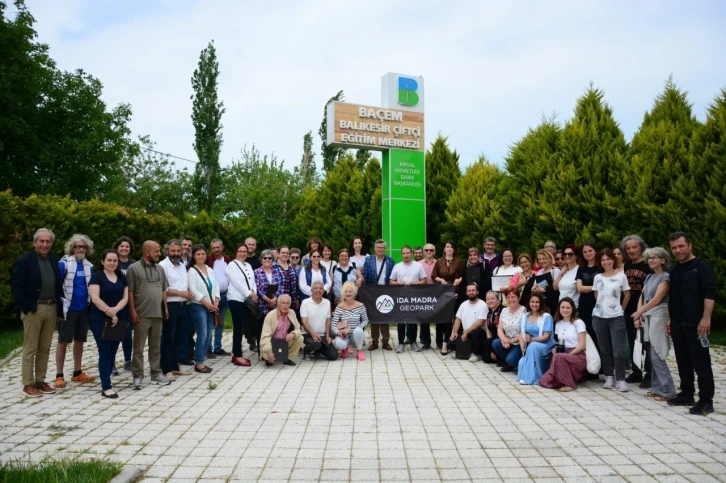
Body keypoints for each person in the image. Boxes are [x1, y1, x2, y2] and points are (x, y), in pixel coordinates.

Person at [667, 232, 716, 415]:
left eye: (681, 246)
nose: (678, 250)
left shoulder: (701, 266)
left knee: (701, 362)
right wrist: (670, 319)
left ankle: (706, 401)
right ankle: (687, 393)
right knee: (683, 361)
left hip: (697, 324)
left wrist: (706, 318)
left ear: (690, 245)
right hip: (679, 323)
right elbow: (673, 298)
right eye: (674, 248)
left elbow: (709, 294)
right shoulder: (675, 269)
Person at [11, 228, 63, 397]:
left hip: (51, 308)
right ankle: (28, 384)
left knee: (45, 347)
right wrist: (26, 307)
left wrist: (59, 309)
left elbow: (57, 286)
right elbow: (16, 286)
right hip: (34, 309)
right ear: (34, 242)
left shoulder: (54, 261)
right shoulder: (24, 261)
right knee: (30, 348)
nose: (44, 244)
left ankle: (40, 380)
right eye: (41, 241)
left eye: (48, 241)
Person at [632, 247, 676, 401]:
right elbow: (642, 296)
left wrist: (640, 312)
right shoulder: (649, 277)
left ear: (662, 260)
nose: (651, 260)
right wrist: (638, 314)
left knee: (658, 354)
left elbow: (657, 299)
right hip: (647, 316)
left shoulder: (665, 277)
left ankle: (668, 390)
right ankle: (657, 388)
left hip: (658, 316)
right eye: (649, 258)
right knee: (651, 354)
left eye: (655, 257)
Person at [127, 241, 171, 389]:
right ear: (147, 252)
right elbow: (130, 291)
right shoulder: (133, 268)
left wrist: (165, 307)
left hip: (157, 313)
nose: (159, 254)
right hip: (141, 314)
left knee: (155, 346)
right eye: (157, 251)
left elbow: (163, 289)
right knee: (138, 347)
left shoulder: (160, 269)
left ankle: (156, 373)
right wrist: (132, 310)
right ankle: (137, 375)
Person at [55, 234, 95, 388]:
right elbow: (57, 286)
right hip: (68, 309)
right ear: (72, 248)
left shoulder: (88, 266)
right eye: (77, 246)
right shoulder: (64, 264)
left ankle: (77, 372)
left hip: (83, 309)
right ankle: (59, 375)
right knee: (63, 341)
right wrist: (58, 309)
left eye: (83, 247)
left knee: (80, 340)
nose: (80, 249)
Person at [88, 249, 128, 398]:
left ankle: (107, 378)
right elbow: (95, 298)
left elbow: (125, 298)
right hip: (100, 318)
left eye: (115, 261)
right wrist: (109, 312)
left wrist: (116, 310)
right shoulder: (96, 277)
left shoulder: (121, 277)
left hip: (119, 317)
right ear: (102, 261)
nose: (112, 263)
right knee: (104, 352)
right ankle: (106, 387)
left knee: (112, 352)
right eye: (109, 260)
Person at [592, 248, 631, 392]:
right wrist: (602, 307)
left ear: (613, 260)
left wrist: (620, 309)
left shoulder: (622, 276)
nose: (606, 262)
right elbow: (597, 294)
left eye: (608, 259)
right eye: (603, 260)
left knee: (618, 350)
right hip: (599, 317)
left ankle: (620, 378)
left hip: (616, 317)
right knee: (604, 349)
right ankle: (609, 375)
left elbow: (627, 295)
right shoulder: (597, 277)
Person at [159, 240, 193, 381]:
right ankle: (166, 369)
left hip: (182, 305)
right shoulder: (162, 266)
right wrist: (181, 293)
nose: (176, 254)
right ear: (167, 251)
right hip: (170, 305)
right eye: (173, 251)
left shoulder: (182, 265)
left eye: (178, 251)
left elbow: (184, 284)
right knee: (168, 338)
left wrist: (187, 293)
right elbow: (163, 289)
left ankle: (175, 366)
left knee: (179, 337)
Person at [621, 235, 652, 388]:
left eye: (634, 247)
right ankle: (636, 371)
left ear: (641, 247)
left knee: (647, 343)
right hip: (629, 310)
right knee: (634, 342)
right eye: (628, 248)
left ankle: (650, 374)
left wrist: (642, 311)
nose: (632, 250)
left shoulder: (648, 265)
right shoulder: (626, 267)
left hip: (646, 310)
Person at [539, 298, 587, 391]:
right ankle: (567, 378)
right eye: (563, 307)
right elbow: (560, 343)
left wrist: (567, 355)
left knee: (559, 357)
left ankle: (570, 384)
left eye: (568, 308)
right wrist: (556, 351)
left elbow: (582, 345)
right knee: (544, 381)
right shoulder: (558, 323)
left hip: (577, 355)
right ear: (559, 308)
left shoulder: (578, 322)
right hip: (563, 354)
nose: (565, 310)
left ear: (572, 308)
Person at [390, 245, 428, 353]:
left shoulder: (418, 266)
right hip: (400, 297)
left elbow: (424, 280)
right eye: (404, 253)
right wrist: (398, 283)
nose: (406, 255)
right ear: (401, 255)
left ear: (411, 253)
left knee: (413, 321)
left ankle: (413, 342)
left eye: (408, 253)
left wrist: (416, 283)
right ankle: (401, 343)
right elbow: (391, 282)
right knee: (401, 321)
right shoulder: (397, 266)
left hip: (414, 297)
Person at [187, 244, 219, 374]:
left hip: (211, 305)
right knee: (203, 333)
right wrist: (206, 303)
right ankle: (199, 362)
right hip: (198, 305)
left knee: (209, 333)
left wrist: (216, 301)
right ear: (194, 256)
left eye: (203, 254)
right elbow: (193, 289)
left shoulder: (209, 269)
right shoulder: (192, 271)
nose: (201, 256)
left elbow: (215, 285)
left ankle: (202, 359)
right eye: (198, 254)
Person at [226, 243, 256, 367]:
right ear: (236, 252)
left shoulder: (248, 265)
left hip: (246, 299)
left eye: (244, 251)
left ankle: (237, 352)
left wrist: (254, 292)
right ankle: (237, 354)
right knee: (238, 327)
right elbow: (237, 283)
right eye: (240, 251)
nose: (242, 253)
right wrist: (249, 293)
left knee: (244, 326)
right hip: (235, 299)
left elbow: (252, 280)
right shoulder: (232, 265)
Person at [362, 239, 395, 351]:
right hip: (372, 292)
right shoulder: (368, 260)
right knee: (374, 317)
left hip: (385, 291)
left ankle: (385, 341)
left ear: (385, 249)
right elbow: (365, 276)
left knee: (385, 316)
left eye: (382, 247)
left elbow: (392, 277)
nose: (380, 249)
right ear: (374, 248)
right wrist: (365, 292)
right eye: (378, 247)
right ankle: (374, 341)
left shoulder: (390, 261)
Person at [433, 240, 464, 355]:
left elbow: (462, 276)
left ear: (454, 250)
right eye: (447, 247)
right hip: (441, 293)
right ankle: (438, 341)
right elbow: (434, 275)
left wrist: (459, 280)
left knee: (448, 318)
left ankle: (446, 342)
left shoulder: (458, 262)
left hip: (453, 293)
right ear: (444, 249)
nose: (449, 249)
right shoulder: (439, 261)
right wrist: (441, 280)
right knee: (440, 318)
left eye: (452, 247)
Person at [516, 293, 555, 385]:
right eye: (532, 302)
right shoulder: (525, 316)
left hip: (545, 345)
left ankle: (529, 380)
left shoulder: (546, 317)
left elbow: (546, 336)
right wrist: (522, 347)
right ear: (529, 303)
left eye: (537, 302)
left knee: (533, 346)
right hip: (530, 345)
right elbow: (521, 334)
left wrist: (533, 340)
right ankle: (525, 377)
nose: (534, 304)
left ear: (541, 303)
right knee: (521, 363)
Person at [576, 242, 601, 374]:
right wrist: (596, 287)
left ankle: (602, 367)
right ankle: (590, 366)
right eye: (585, 252)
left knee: (599, 335)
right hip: (584, 305)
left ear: (595, 251)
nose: (588, 254)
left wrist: (589, 288)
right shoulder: (582, 268)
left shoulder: (601, 266)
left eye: (590, 251)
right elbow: (579, 288)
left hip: (598, 304)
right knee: (587, 335)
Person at [446, 283, 488, 362]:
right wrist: (454, 332)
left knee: (477, 332)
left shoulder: (482, 305)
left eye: (473, 290)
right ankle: (469, 350)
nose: (471, 292)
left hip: (479, 333)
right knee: (450, 344)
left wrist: (466, 333)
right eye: (469, 291)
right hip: (466, 333)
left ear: (477, 292)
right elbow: (458, 319)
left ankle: (477, 354)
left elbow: (480, 323)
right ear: (466, 293)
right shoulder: (463, 304)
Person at [260, 294, 303, 367]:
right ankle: (270, 357)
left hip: (284, 342)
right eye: (283, 303)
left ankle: (288, 358)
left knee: (300, 338)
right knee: (270, 360)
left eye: (287, 303)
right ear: (278, 304)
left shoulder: (292, 312)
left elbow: (298, 328)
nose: (285, 306)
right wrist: (269, 351)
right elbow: (265, 336)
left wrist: (293, 334)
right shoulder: (270, 315)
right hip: (272, 343)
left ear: (290, 304)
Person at [113, 236, 135, 372]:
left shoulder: (133, 264)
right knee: (115, 334)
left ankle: (128, 361)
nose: (124, 248)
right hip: (116, 304)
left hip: (130, 304)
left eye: (127, 246)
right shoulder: (113, 263)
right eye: (122, 246)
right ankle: (111, 363)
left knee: (127, 334)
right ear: (117, 248)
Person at [331, 282, 369, 361]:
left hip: (355, 334)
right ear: (343, 293)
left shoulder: (360, 305)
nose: (348, 293)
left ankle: (359, 350)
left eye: (350, 291)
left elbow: (365, 320)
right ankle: (344, 348)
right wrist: (339, 333)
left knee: (359, 331)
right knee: (339, 344)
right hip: (344, 334)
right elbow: (333, 325)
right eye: (346, 291)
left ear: (354, 293)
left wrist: (359, 327)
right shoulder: (339, 306)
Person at [206, 238, 231, 357]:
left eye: (218, 247)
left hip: (225, 295)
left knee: (220, 322)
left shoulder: (227, 260)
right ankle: (208, 348)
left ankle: (218, 347)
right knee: (210, 322)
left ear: (222, 247)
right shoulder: (208, 260)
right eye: (213, 248)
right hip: (211, 296)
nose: (216, 250)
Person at [256, 249, 284, 352]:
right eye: (265, 258)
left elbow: (281, 286)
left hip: (276, 305)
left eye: (270, 258)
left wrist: (275, 298)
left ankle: (277, 352)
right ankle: (263, 353)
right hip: (262, 306)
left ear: (272, 260)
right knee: (263, 330)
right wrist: (267, 299)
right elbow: (256, 289)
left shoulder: (277, 271)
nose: (267, 260)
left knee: (276, 329)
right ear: (261, 259)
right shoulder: (257, 272)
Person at [300, 281, 336, 361]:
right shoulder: (305, 302)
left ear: (323, 291)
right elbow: (304, 322)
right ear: (311, 290)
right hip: (308, 334)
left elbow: (328, 321)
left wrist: (327, 335)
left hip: (322, 335)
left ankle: (318, 350)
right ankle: (307, 351)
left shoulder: (327, 302)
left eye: (320, 288)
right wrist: (313, 334)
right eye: (316, 288)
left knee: (333, 356)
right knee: (315, 343)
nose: (318, 290)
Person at [492, 293, 526, 373]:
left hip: (519, 342)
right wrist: (504, 340)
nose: (511, 299)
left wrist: (511, 341)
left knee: (510, 360)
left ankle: (512, 362)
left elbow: (524, 331)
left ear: (518, 297)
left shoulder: (524, 310)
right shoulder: (504, 310)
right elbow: (499, 329)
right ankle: (510, 362)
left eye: (513, 297)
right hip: (507, 341)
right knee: (495, 343)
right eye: (508, 297)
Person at [417, 243, 438, 350]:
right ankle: (426, 341)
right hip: (423, 294)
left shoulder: (439, 263)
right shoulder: (418, 264)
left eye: (431, 250)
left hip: (437, 293)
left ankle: (439, 342)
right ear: (424, 252)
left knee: (439, 318)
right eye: (427, 250)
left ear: (434, 252)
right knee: (424, 319)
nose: (429, 252)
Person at [529, 249, 560, 315]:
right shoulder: (539, 272)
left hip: (553, 303)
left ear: (549, 258)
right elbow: (535, 285)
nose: (541, 261)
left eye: (544, 258)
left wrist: (544, 290)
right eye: (539, 259)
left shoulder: (555, 271)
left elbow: (557, 288)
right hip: (542, 303)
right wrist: (534, 289)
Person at [481, 290, 503, 363]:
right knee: (486, 358)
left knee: (486, 342)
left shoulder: (503, 310)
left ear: (498, 300)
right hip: (493, 340)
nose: (490, 301)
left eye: (492, 299)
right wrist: (491, 349)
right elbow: (488, 331)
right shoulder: (489, 313)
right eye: (487, 299)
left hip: (503, 339)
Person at [275, 246, 300, 313]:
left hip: (292, 302)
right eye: (283, 252)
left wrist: (297, 298)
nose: (285, 254)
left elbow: (296, 285)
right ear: (278, 254)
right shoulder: (273, 267)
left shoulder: (291, 268)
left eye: (287, 253)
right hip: (278, 302)